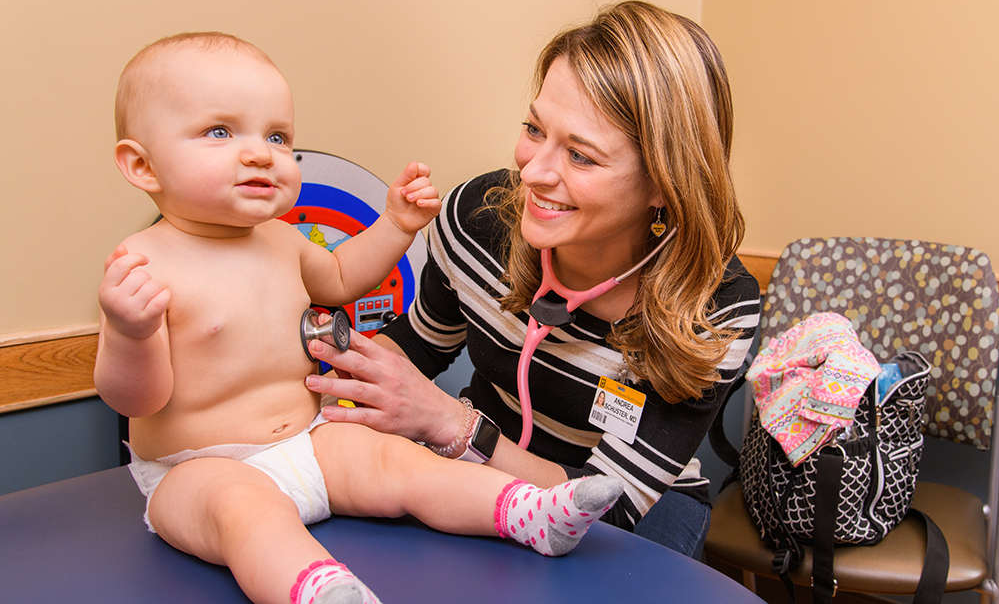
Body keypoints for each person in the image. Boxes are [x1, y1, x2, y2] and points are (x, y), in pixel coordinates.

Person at [94, 32, 622, 604]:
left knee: (402, 463)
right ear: (142, 165)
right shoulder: (144, 266)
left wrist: (395, 226)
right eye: (220, 132)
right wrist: (129, 333)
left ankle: (526, 511)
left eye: (277, 136)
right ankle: (318, 590)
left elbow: (343, 277)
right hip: (198, 469)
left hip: (313, 442)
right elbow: (137, 401)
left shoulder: (279, 239)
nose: (260, 153)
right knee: (244, 513)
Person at [309, 1, 761, 560]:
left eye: (581, 156)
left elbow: (611, 507)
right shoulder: (477, 219)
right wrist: (319, 380)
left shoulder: (715, 308)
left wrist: (452, 424)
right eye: (534, 129)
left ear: (664, 184)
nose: (533, 171)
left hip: (632, 508)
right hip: (476, 463)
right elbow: (419, 346)